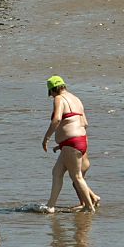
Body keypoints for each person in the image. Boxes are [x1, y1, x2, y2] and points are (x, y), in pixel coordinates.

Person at [41, 74, 99, 211]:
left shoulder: (59, 99)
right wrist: (62, 144)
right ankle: (50, 206)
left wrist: (46, 138)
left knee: (77, 177)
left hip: (72, 143)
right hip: (79, 141)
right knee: (56, 172)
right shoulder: (76, 99)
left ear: (53, 90)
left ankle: (90, 208)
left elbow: (56, 120)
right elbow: (85, 123)